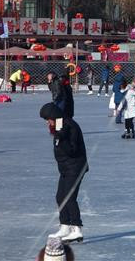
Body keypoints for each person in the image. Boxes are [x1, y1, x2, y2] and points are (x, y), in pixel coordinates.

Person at [39, 102, 88, 244]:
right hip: (66, 168)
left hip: (76, 167)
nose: (47, 122)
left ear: (54, 116)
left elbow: (72, 150)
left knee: (69, 197)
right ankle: (65, 226)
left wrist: (61, 139)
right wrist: (59, 137)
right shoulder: (60, 124)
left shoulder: (70, 126)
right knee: (60, 196)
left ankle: (76, 229)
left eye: (48, 119)